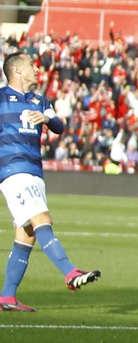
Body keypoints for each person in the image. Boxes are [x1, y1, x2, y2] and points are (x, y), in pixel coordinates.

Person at [0, 52, 100, 312]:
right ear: (18, 71)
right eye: (31, 66)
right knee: (42, 219)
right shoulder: (1, 98)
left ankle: (7, 297)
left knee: (27, 234)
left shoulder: (40, 100)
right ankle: (70, 272)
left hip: (34, 171)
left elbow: (59, 126)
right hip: (14, 171)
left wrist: (46, 118)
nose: (36, 69)